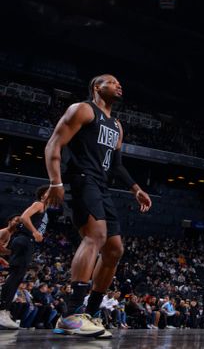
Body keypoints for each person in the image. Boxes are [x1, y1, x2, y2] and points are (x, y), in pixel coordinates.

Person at [42, 74, 152, 338]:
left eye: (119, 82)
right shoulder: (83, 109)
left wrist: (136, 189)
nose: (119, 84)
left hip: (101, 185)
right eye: (112, 81)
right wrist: (55, 182)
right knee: (96, 236)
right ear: (96, 87)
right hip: (81, 179)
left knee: (114, 250)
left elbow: (116, 166)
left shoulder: (116, 125)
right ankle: (71, 314)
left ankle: (90, 313)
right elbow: (53, 144)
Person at [0, 186, 49, 330]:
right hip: (25, 239)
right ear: (42, 195)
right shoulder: (39, 204)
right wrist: (35, 232)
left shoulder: (44, 209)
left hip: (27, 243)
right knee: (15, 277)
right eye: (48, 193)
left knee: (17, 277)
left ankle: (5, 310)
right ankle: (3, 310)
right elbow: (24, 217)